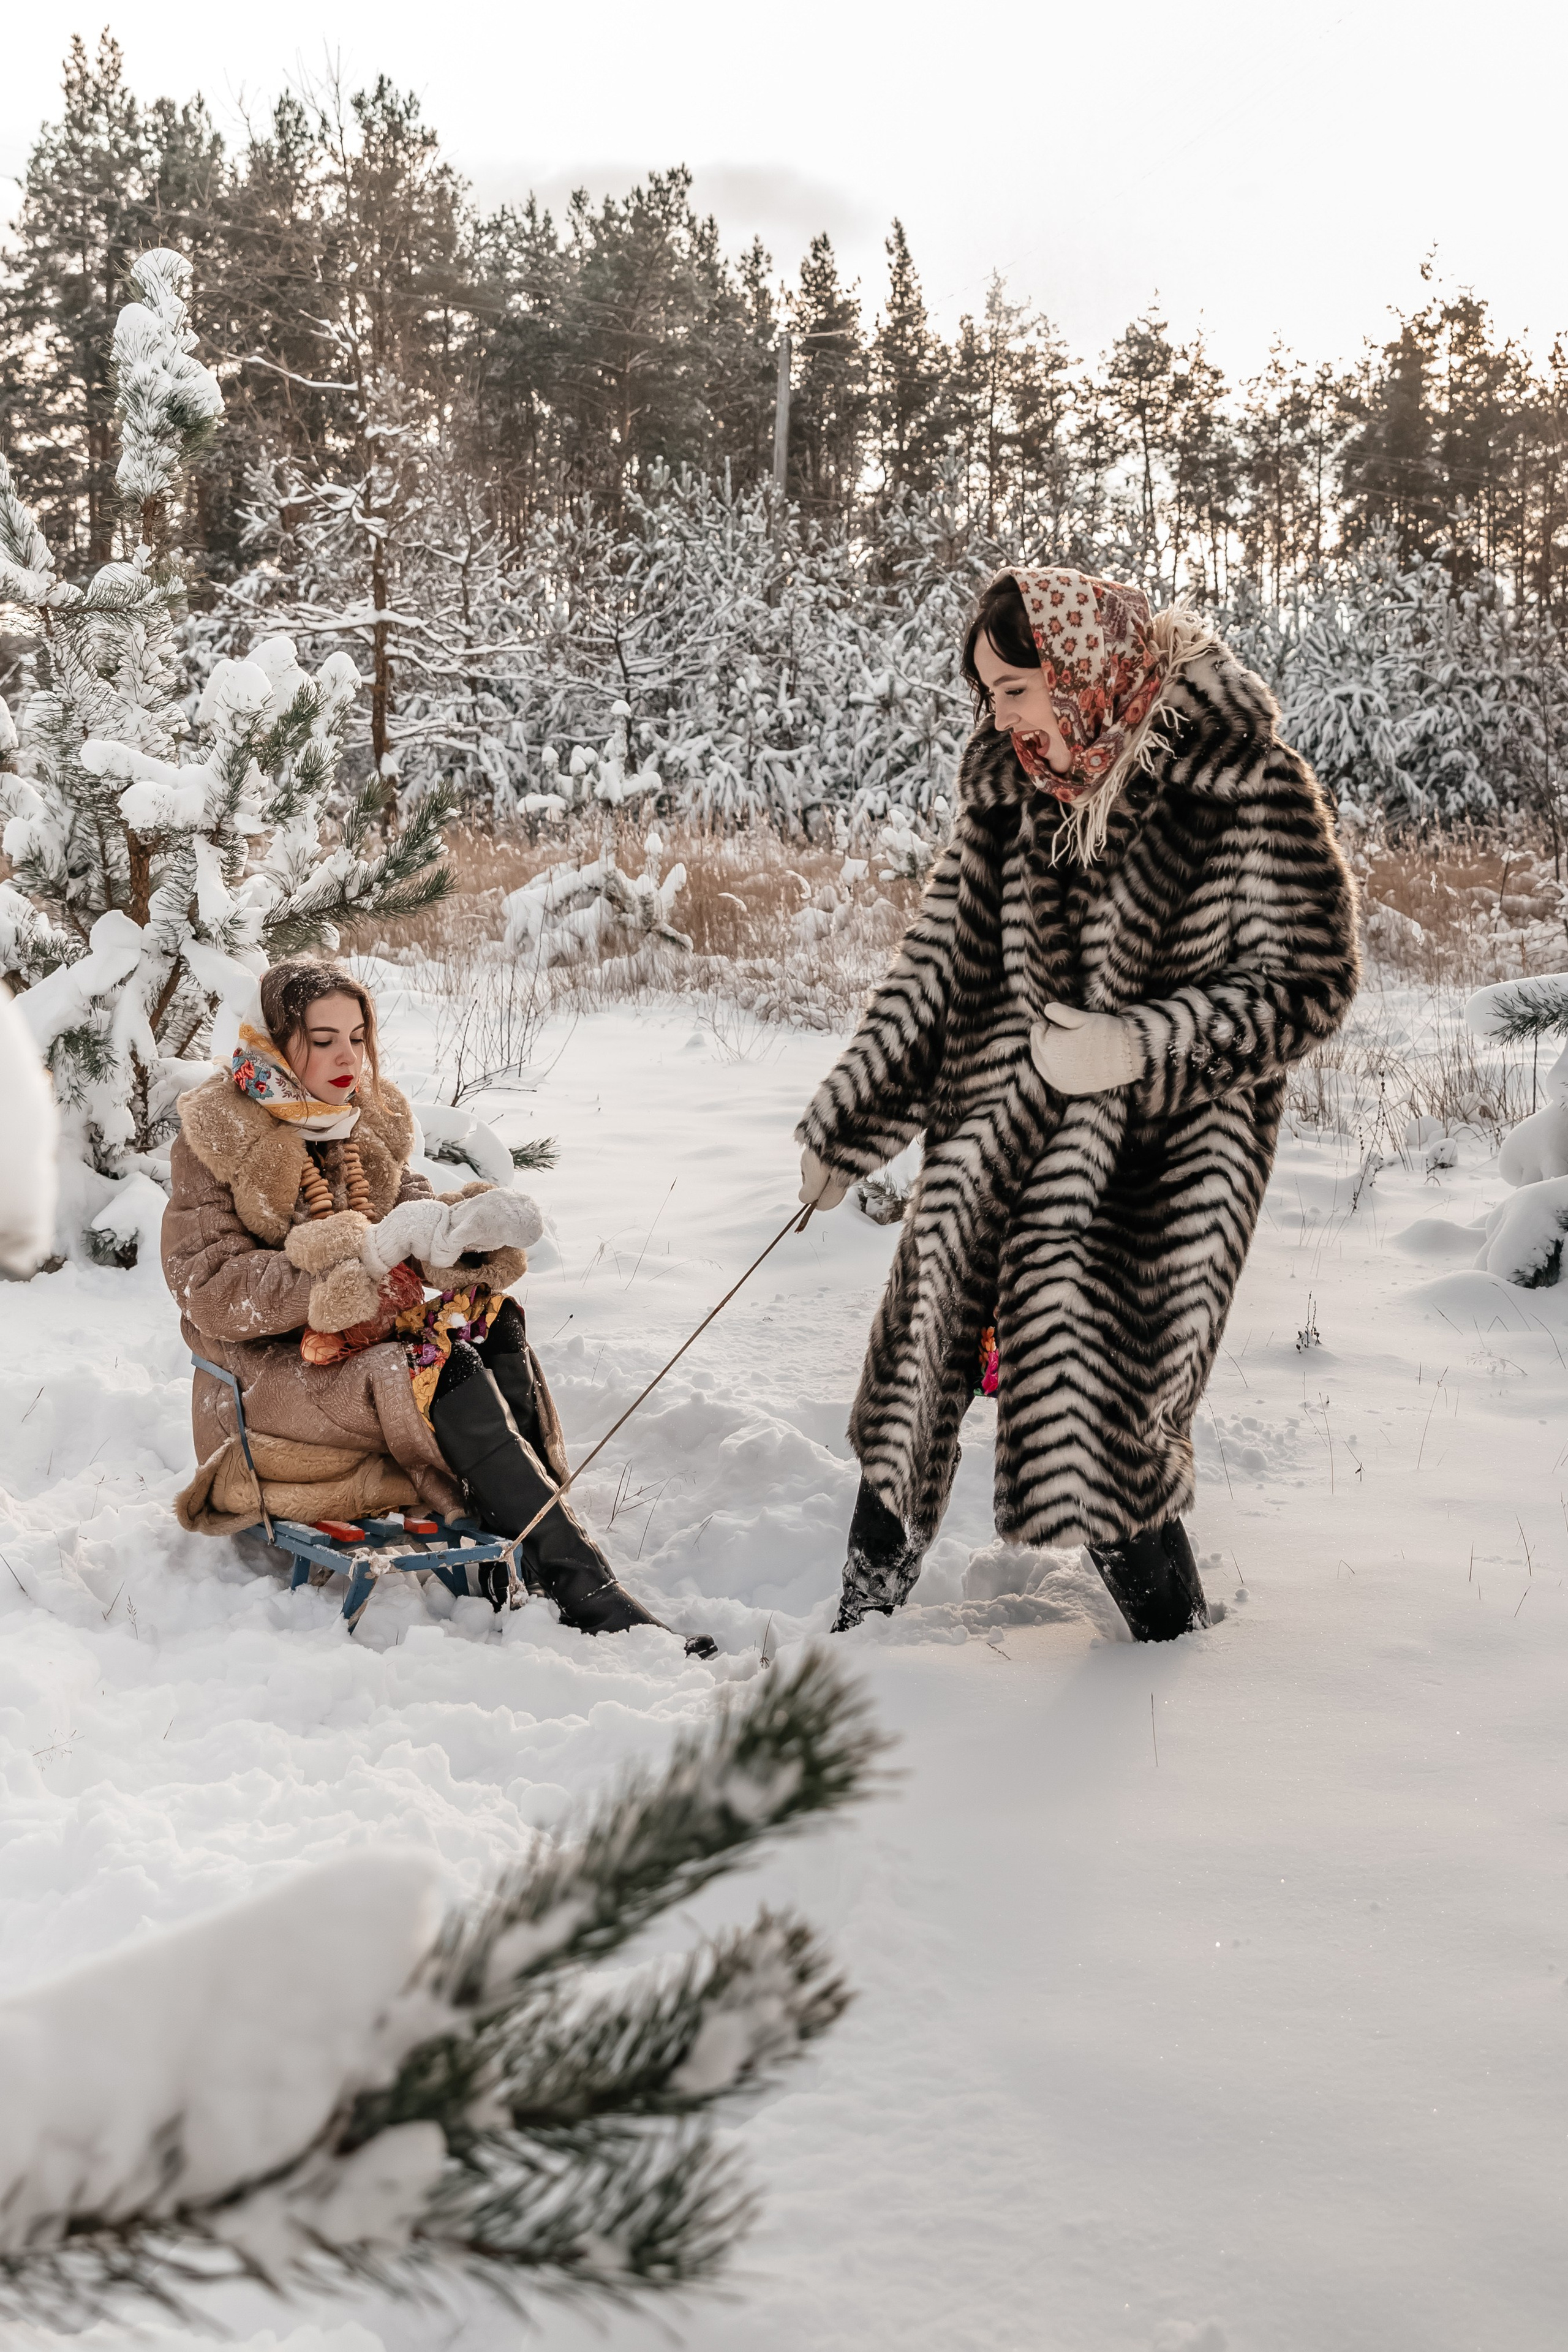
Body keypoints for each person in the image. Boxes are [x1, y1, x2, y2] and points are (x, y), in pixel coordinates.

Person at [797, 567, 1360, 1640]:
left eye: (1016, 687)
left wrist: (1140, 1047)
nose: (999, 716)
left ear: (1082, 670)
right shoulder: (1008, 799)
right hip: (998, 1128)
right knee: (919, 1371)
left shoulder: (1244, 786)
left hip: (1166, 1158)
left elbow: (1310, 983)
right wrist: (848, 1128)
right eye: (989, 693)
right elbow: (934, 978)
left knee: (1107, 1414)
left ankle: (1167, 1658)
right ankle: (858, 1632)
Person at [163, 957, 707, 1648]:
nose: (347, 1057)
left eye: (357, 1037)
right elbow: (208, 1286)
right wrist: (330, 1280)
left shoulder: (361, 1119)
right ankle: (583, 1589)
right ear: (275, 1041)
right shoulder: (217, 1136)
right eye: (323, 1039)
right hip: (262, 1378)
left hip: (354, 1356)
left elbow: (408, 1217)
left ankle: (537, 1535)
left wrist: (460, 1235)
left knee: (493, 1326)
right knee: (432, 1367)